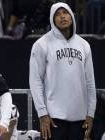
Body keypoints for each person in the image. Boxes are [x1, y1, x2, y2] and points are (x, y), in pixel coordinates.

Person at [29, 2, 96, 140]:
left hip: (80, 119)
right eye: (57, 14)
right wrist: (42, 113)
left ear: (71, 16)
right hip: (53, 119)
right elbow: (35, 81)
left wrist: (91, 114)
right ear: (52, 20)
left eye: (65, 13)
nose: (62, 17)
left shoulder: (84, 45)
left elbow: (90, 82)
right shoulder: (41, 44)